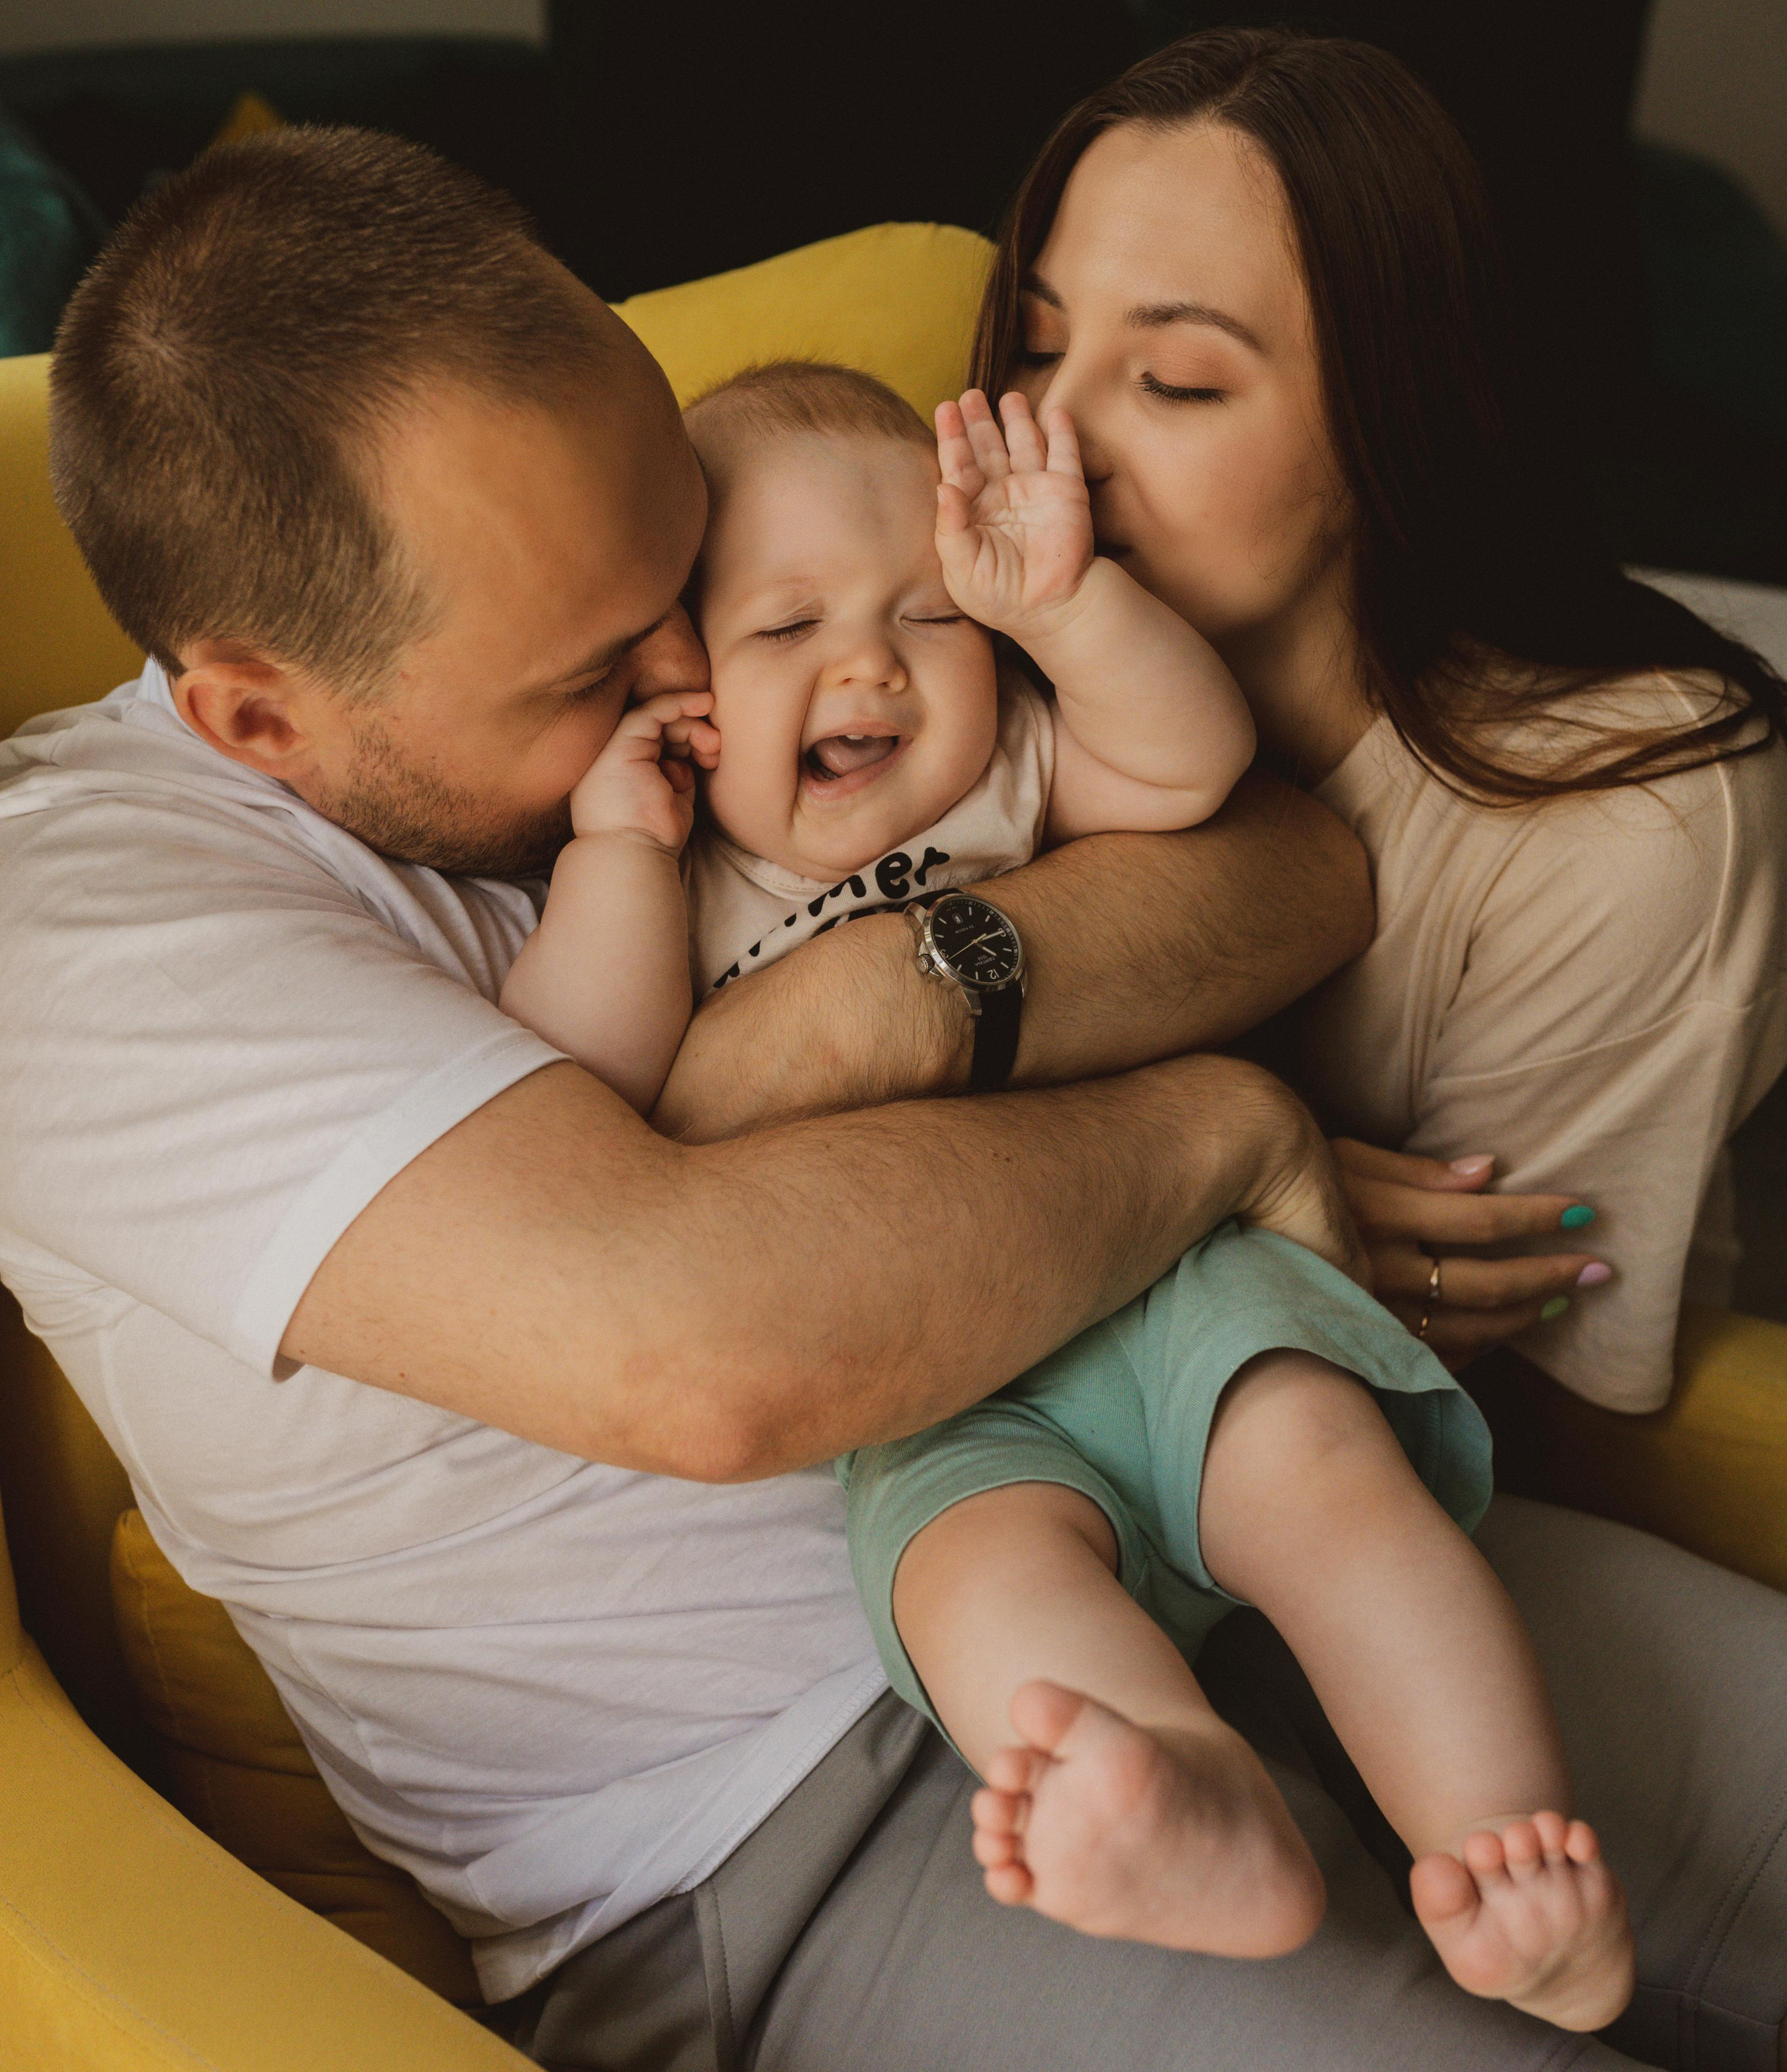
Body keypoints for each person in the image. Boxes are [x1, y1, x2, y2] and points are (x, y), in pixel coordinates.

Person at [0, 126, 1368, 2017]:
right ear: (260, 713)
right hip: (792, 1816)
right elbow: (710, 1359)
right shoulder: (71, 931)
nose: (695, 671)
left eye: (687, 572)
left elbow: (1299, 868)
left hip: (1192, 1475)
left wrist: (897, 989)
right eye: (592, 664)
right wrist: (1215, 1123)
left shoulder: (718, 620)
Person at [503, 352, 1632, 2029]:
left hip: (1171, 1276)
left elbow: (1189, 771)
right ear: (678, 691)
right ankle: (1195, 1807)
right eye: (784, 627)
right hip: (925, 1385)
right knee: (986, 1602)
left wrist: (1062, 608)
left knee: (1328, 1499)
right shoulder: (676, 879)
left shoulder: (1010, 773)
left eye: (928, 617)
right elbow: (583, 1098)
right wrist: (607, 842)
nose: (869, 661)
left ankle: (1511, 1865)